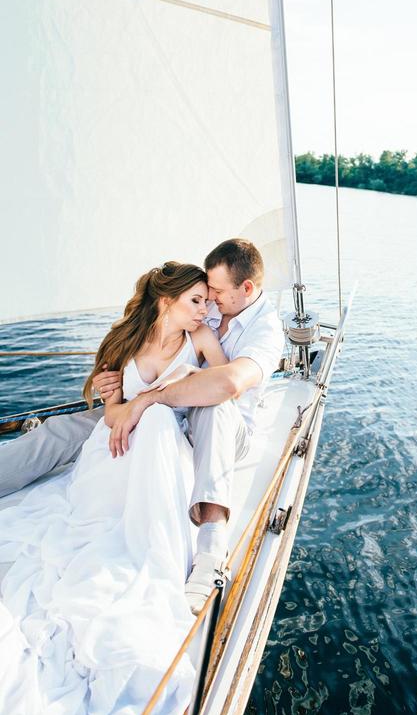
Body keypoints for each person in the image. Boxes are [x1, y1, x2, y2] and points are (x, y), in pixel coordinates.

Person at [0, 238, 285, 613]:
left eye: (214, 292)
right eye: (202, 295)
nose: (209, 302)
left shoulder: (264, 330)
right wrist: (113, 394)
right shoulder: (206, 310)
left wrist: (148, 398)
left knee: (211, 408)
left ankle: (211, 546)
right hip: (149, 408)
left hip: (220, 425)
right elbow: (127, 371)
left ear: (245, 289)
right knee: (60, 431)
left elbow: (227, 384)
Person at [0, 261, 224, 713]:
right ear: (167, 300)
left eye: (207, 300)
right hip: (116, 447)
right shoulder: (126, 341)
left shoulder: (199, 340)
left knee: (159, 420)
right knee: (104, 493)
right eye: (196, 300)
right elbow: (111, 415)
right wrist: (119, 401)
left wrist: (149, 400)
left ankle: (150, 536)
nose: (206, 310)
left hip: (163, 448)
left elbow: (223, 384)